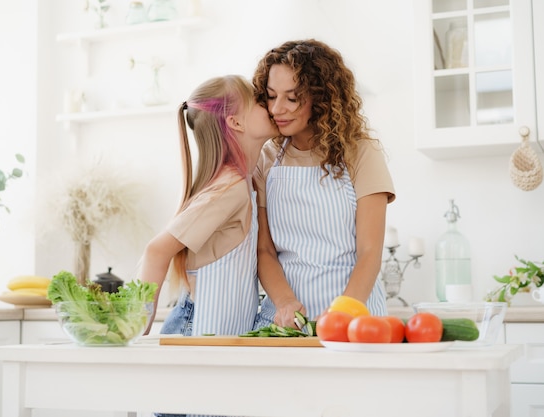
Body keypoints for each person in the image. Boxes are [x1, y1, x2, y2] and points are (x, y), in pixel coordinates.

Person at [252, 39, 396, 330]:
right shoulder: (267, 157)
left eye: (292, 98)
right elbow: (264, 251)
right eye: (271, 96)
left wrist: (343, 315)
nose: (277, 108)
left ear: (321, 98)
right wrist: (284, 303)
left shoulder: (361, 153)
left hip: (355, 315)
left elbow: (369, 252)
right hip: (285, 320)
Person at [138, 75, 278, 339]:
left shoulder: (245, 181)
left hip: (214, 336)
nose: (271, 105)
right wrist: (137, 330)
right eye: (260, 101)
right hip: (195, 332)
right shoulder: (229, 188)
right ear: (235, 122)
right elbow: (156, 251)